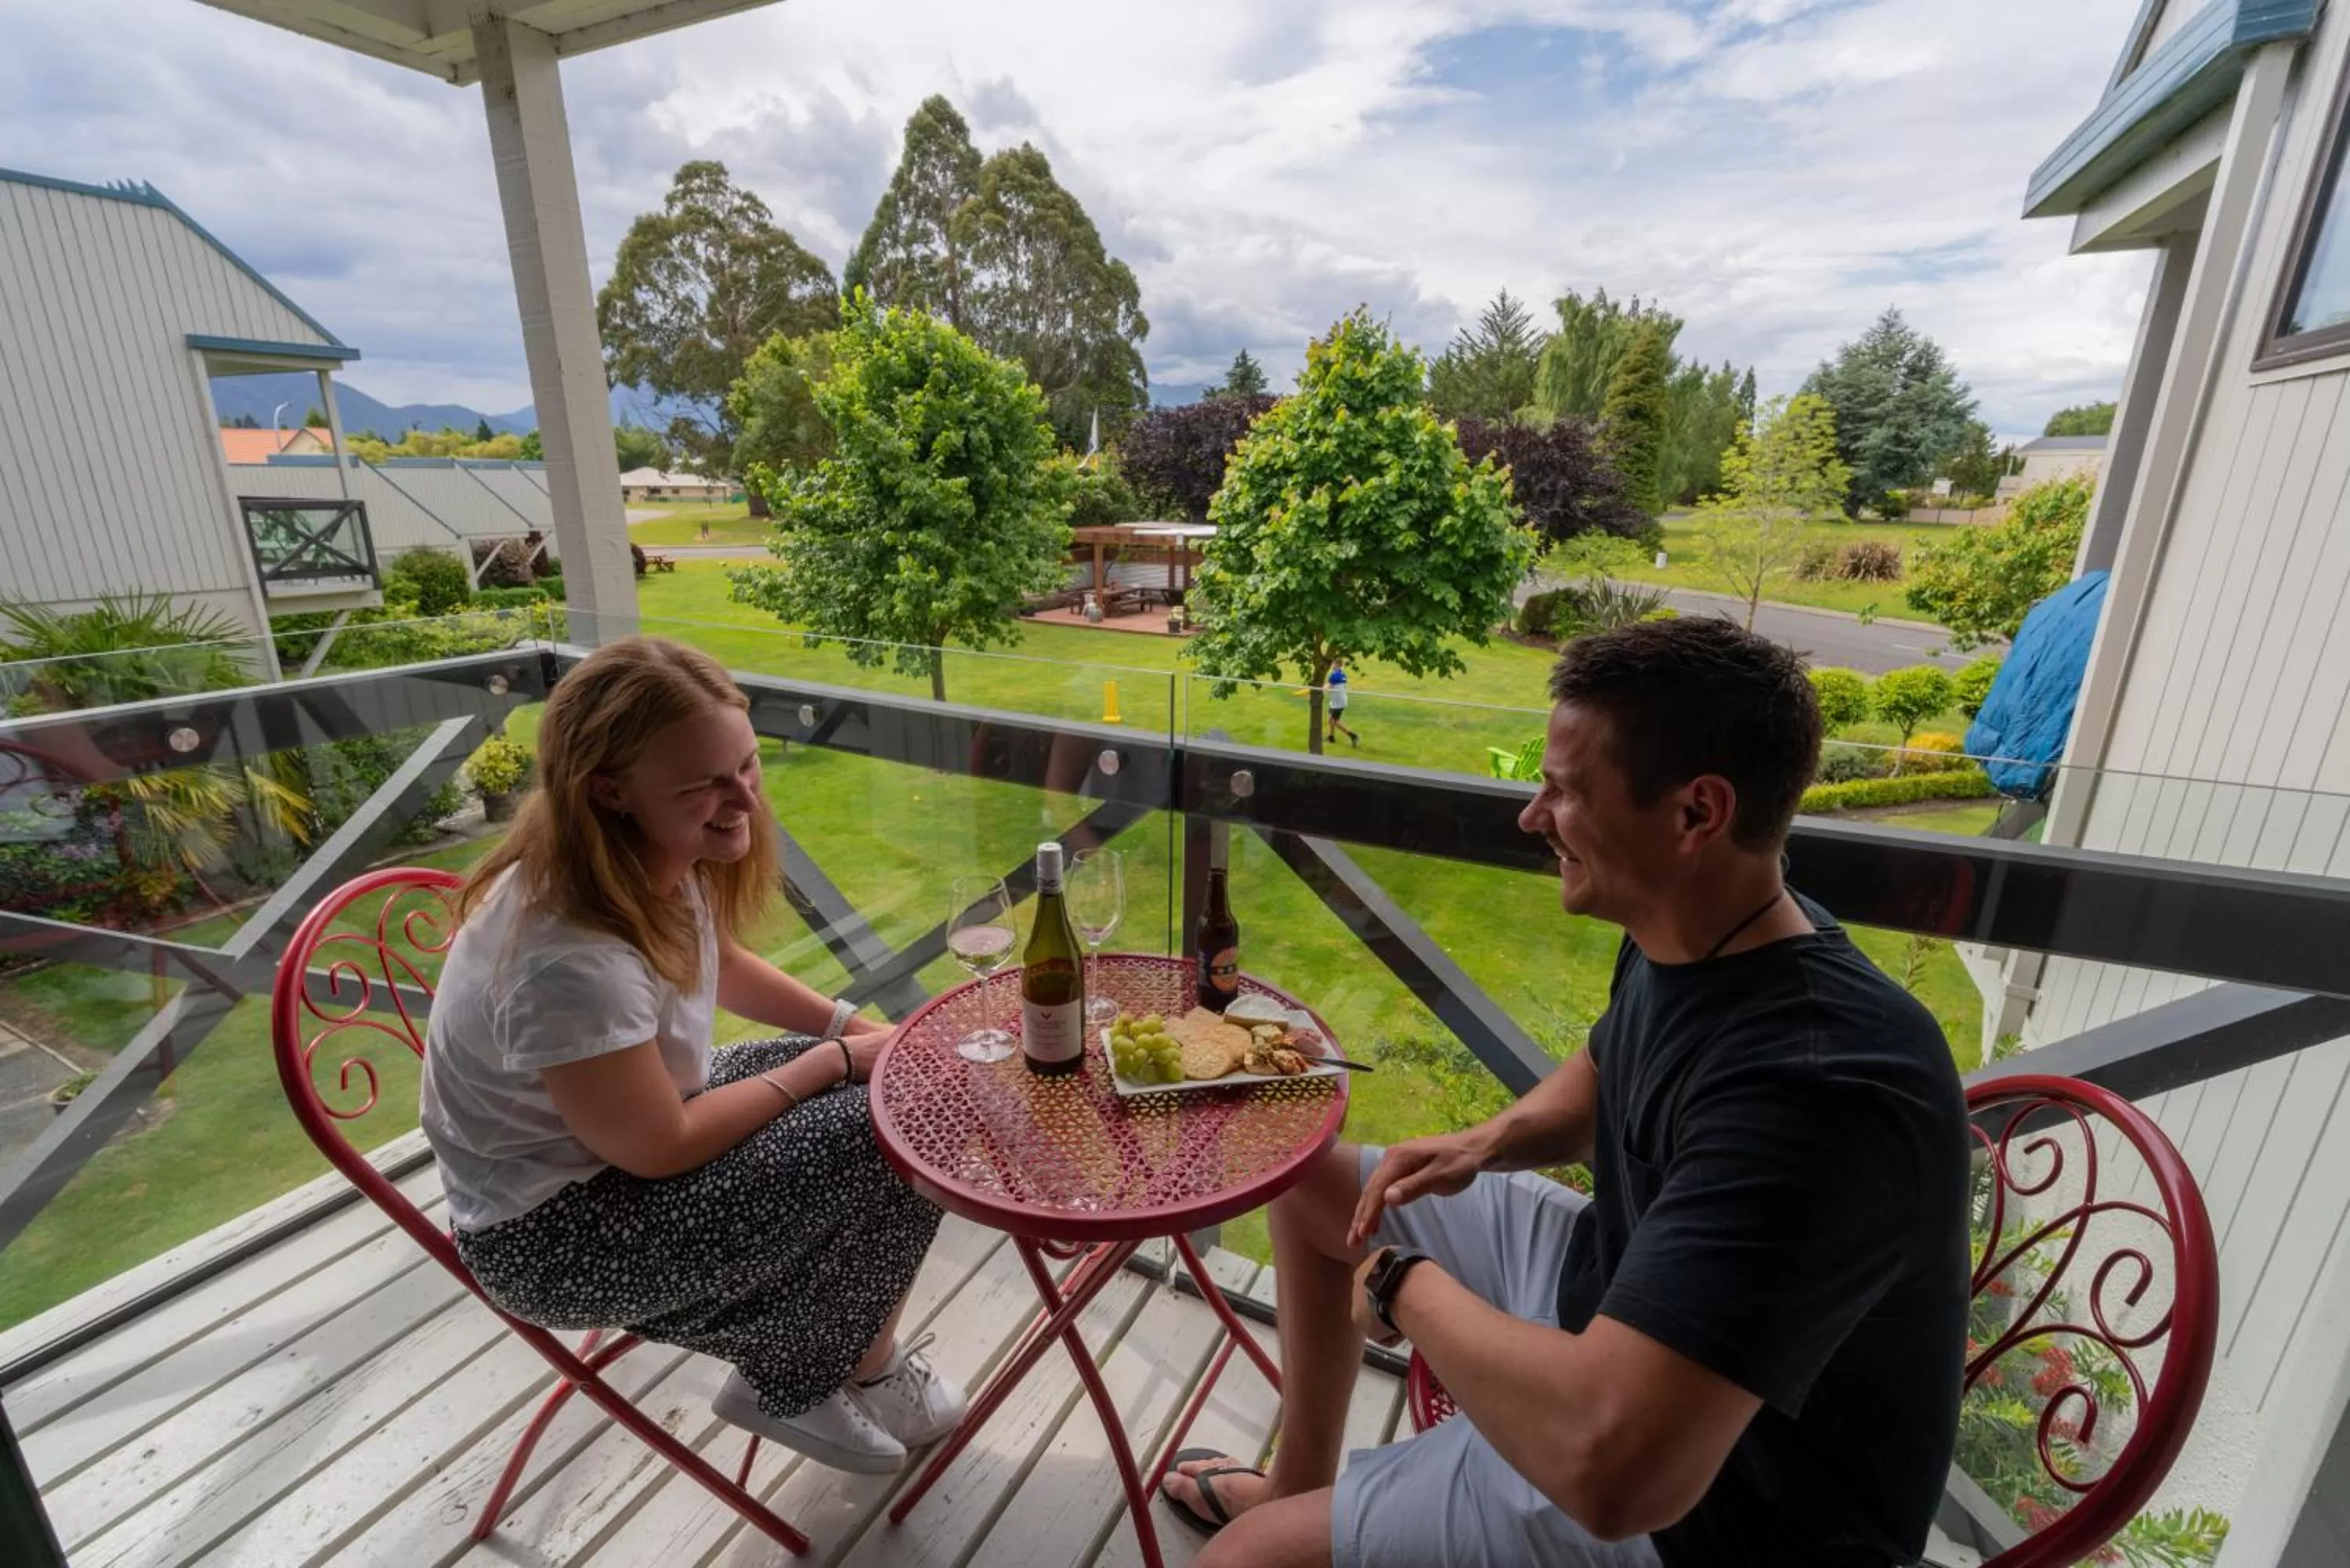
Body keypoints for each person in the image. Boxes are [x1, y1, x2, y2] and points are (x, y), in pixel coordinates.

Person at [1163, 616, 1970, 1567]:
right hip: (1611, 1292)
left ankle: (1287, 1521)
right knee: (1308, 1184)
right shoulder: (1699, 926)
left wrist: (1399, 1284)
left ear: (1695, 814)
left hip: (1708, 1509)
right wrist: (1485, 1143)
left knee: (1244, 1560)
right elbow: (1608, 1065)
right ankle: (1300, 1478)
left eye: (1563, 789)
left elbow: (1612, 1471)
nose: (1531, 815)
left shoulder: (1821, 1092)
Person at [421, 635, 965, 1476]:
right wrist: (836, 1064)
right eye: (704, 783)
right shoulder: (566, 954)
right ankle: (793, 1376)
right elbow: (659, 1145)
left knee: (903, 1090)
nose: (741, 797)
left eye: (747, 765)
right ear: (610, 791)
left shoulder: (633, 861)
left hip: (617, 1149)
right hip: (560, 1235)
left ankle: (858, 1357)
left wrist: (856, 1032)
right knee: (886, 1124)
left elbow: (721, 961)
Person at [1325, 663, 1358, 749]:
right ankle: (1331, 737)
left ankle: (1353, 735)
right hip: (1337, 701)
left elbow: (1327, 688)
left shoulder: (1335, 676)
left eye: (1332, 664)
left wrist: (1321, 687)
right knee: (1330, 719)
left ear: (1335, 665)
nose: (1331, 666)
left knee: (1335, 721)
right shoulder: (1342, 674)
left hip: (1338, 703)